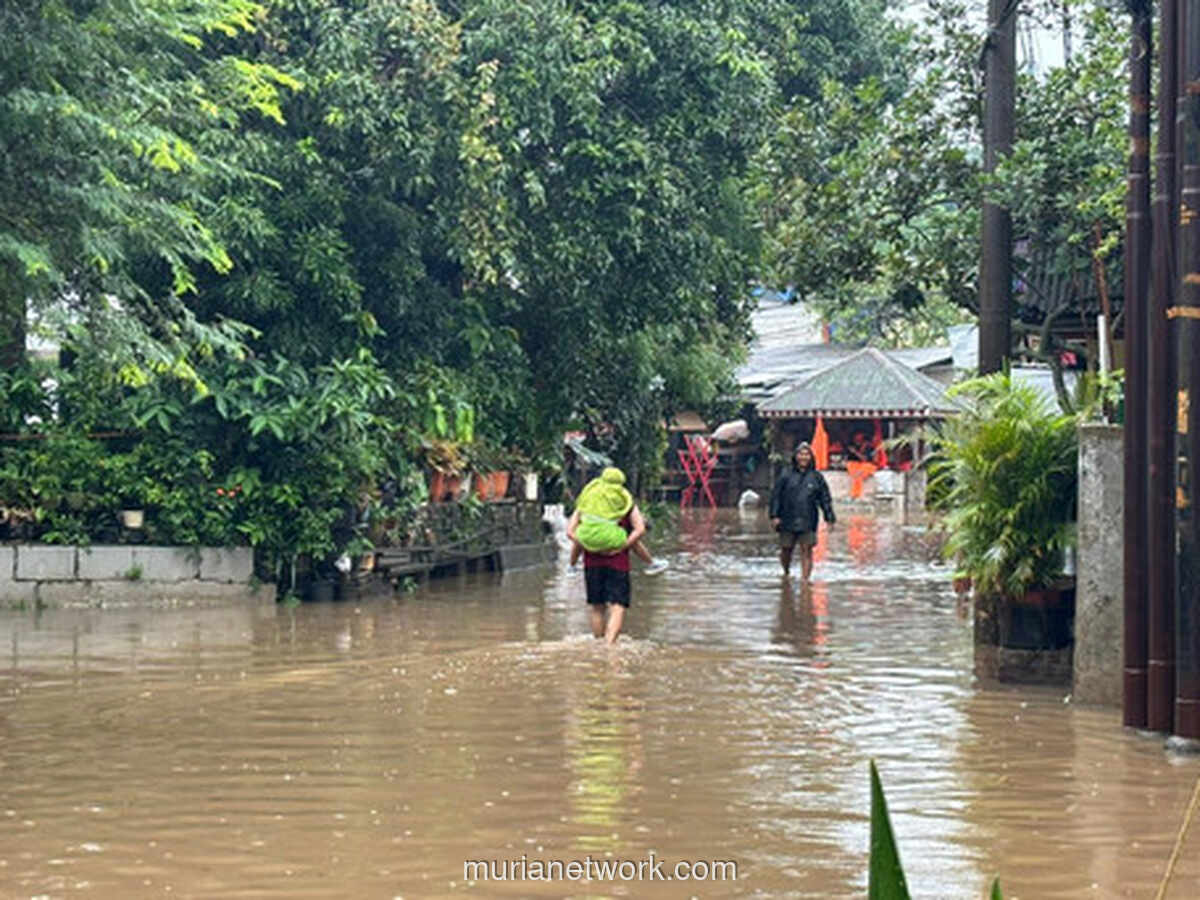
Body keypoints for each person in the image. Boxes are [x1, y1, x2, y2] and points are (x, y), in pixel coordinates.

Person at [565, 468, 652, 643]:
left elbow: (570, 531)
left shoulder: (588, 501)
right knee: (617, 607)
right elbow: (640, 529)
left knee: (597, 607)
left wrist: (587, 545)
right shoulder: (625, 502)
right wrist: (620, 546)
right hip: (618, 563)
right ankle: (609, 647)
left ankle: (598, 644)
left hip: (591, 562)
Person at [769, 442, 835, 580]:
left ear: (811, 457)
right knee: (786, 549)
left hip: (808, 519)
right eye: (801, 454)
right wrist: (774, 515)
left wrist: (829, 518)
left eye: (807, 454)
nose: (803, 457)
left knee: (807, 550)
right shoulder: (785, 475)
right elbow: (776, 496)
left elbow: (825, 499)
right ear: (795, 456)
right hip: (787, 518)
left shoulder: (817, 477)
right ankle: (786, 572)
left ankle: (805, 580)